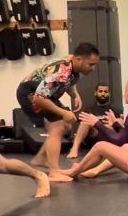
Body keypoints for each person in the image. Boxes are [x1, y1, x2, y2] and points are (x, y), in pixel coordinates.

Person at [16, 42, 100, 182]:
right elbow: (39, 98)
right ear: (78, 59)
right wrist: (63, 112)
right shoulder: (61, 71)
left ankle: (40, 158)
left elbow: (68, 82)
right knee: (59, 125)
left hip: (46, 94)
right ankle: (53, 172)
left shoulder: (73, 63)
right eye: (90, 64)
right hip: (30, 93)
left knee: (66, 125)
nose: (93, 68)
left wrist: (75, 95)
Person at [68, 84, 120, 158]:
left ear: (109, 94)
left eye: (105, 92)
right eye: (100, 91)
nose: (103, 94)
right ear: (95, 93)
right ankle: (74, 149)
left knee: (115, 123)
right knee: (85, 122)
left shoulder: (115, 110)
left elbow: (120, 127)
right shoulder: (89, 110)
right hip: (94, 135)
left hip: (109, 137)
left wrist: (110, 124)